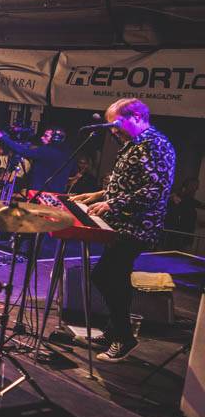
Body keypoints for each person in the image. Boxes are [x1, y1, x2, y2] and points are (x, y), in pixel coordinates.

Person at [70, 98, 175, 361]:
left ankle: (125, 337)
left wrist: (112, 203)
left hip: (138, 226)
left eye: (116, 123)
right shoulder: (135, 144)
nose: (113, 130)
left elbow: (154, 191)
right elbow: (129, 184)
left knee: (105, 276)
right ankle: (114, 331)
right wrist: (97, 195)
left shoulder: (155, 145)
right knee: (113, 276)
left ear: (137, 116)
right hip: (123, 223)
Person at [0, 125, 71, 193]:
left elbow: (22, 151)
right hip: (56, 193)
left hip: (41, 192)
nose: (42, 138)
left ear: (55, 138)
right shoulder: (66, 154)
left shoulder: (46, 151)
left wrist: (2, 137)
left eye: (46, 136)